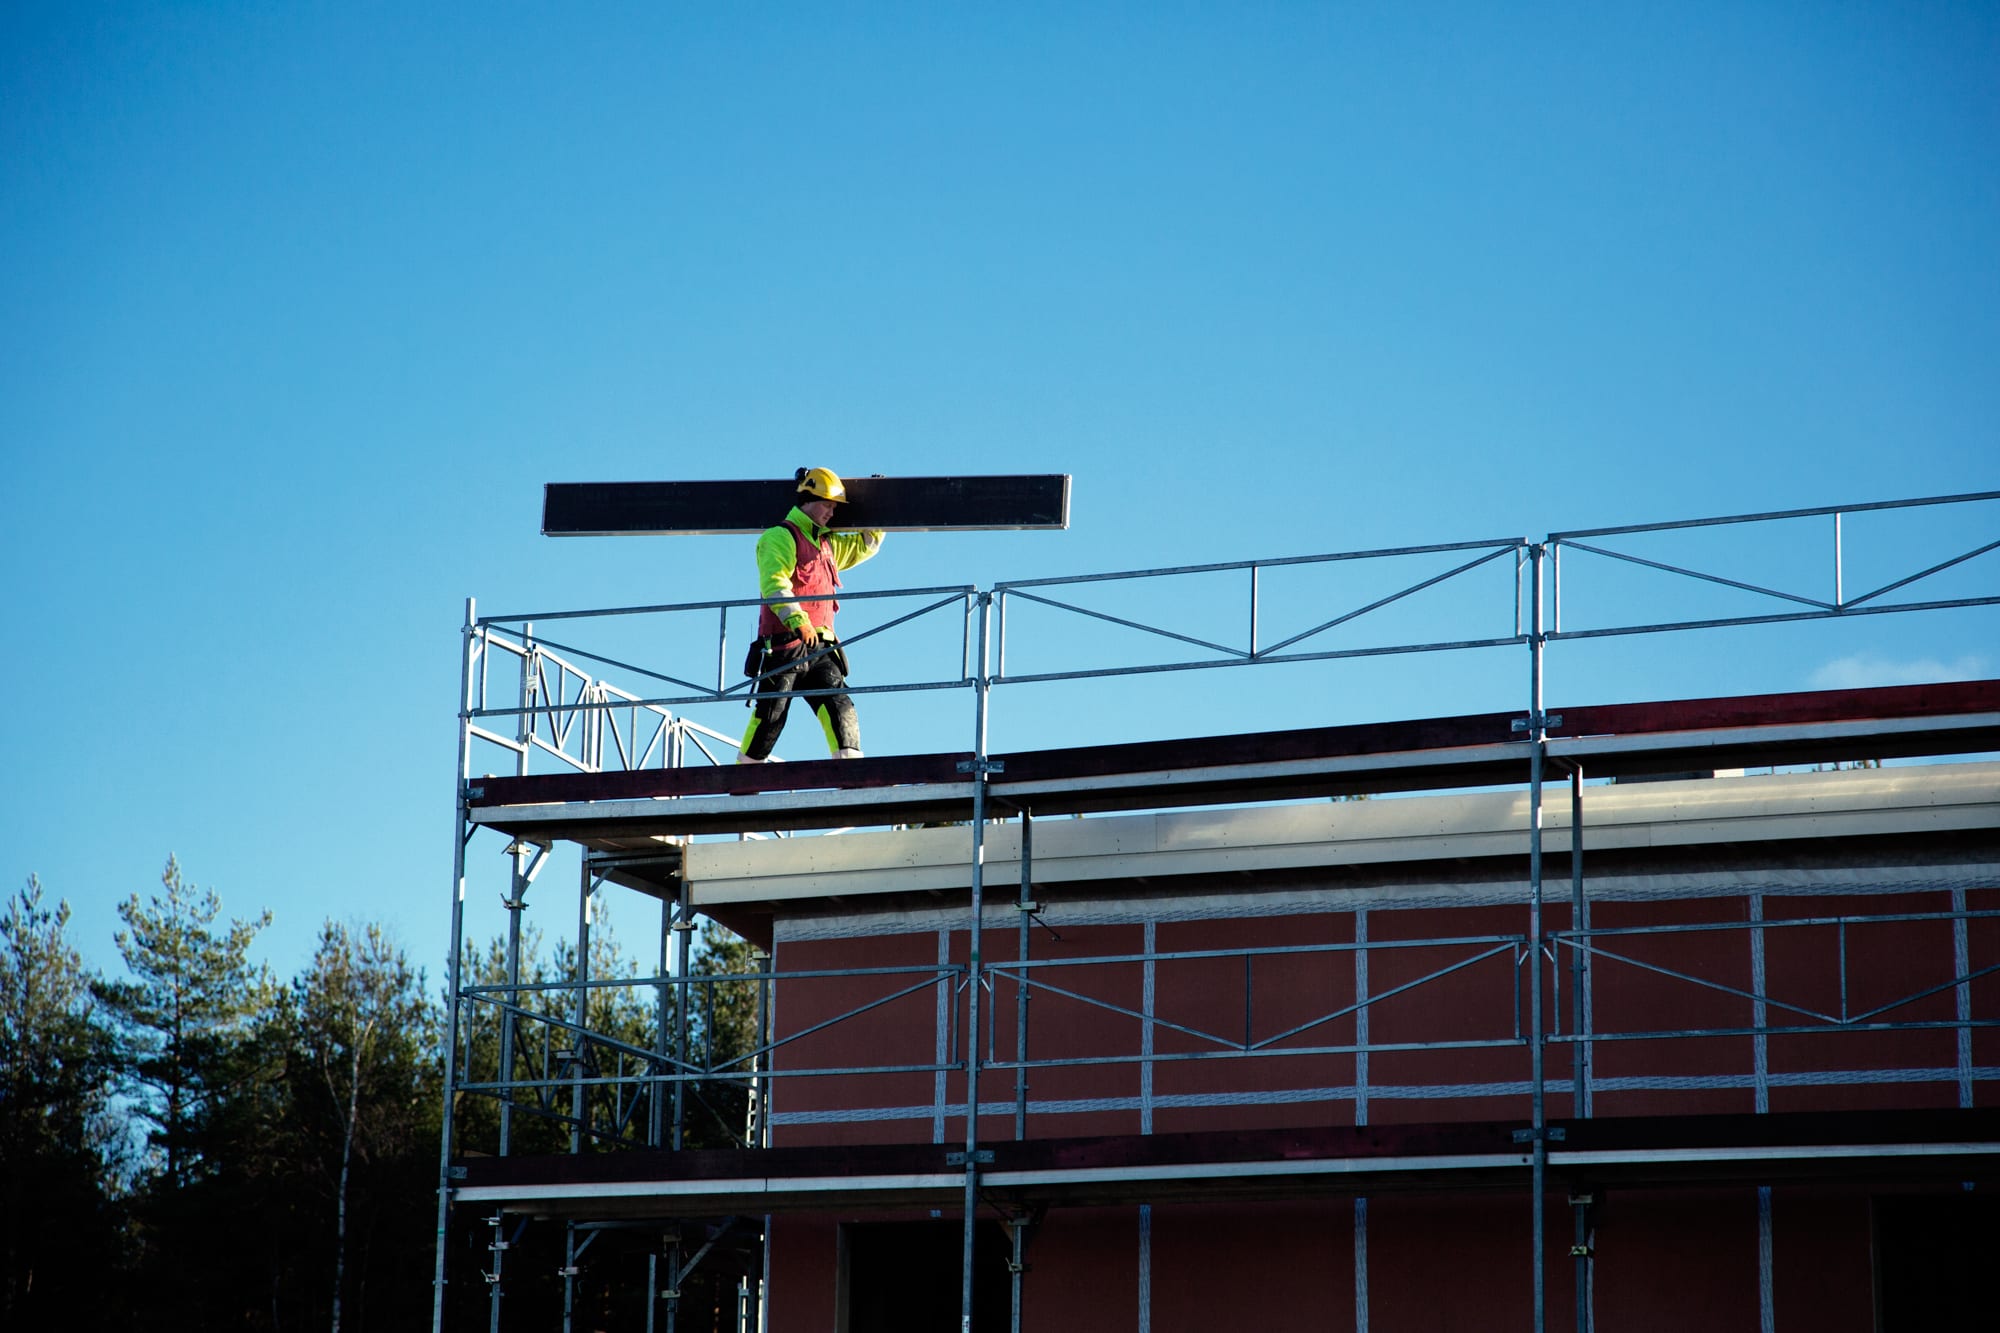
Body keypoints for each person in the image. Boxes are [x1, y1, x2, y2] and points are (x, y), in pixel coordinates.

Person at [738, 467, 885, 762]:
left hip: (819, 647)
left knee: (840, 707)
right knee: (771, 715)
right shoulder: (780, 537)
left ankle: (850, 769)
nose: (831, 513)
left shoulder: (826, 545)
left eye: (834, 507)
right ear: (806, 500)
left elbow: (864, 546)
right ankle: (744, 779)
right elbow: (774, 583)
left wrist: (878, 507)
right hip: (785, 645)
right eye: (826, 505)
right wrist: (798, 621)